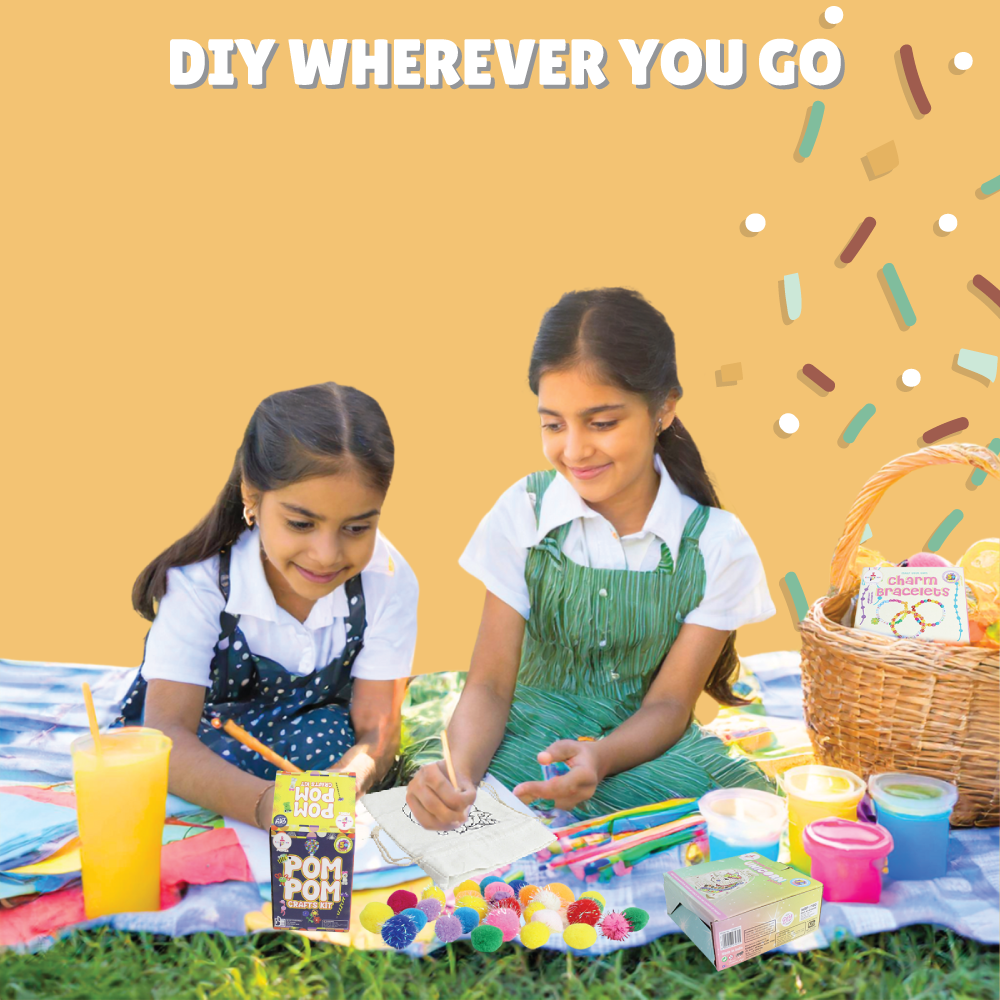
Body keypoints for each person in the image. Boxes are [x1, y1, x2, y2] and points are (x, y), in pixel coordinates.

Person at [405, 287, 775, 830]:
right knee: (449, 785)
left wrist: (600, 758)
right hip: (520, 729)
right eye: (553, 424)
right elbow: (487, 686)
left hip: (640, 746)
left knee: (728, 802)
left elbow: (668, 708)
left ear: (664, 407)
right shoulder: (524, 512)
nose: (574, 451)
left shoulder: (719, 544)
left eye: (602, 423)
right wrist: (459, 777)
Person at [116, 382, 418, 829]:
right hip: (207, 737)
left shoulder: (387, 579)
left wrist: (349, 779)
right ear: (252, 497)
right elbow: (166, 734)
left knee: (334, 746)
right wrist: (268, 806)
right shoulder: (202, 582)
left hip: (313, 737)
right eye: (301, 523)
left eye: (356, 528)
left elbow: (378, 729)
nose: (327, 554)